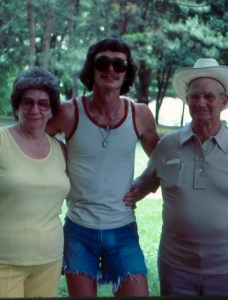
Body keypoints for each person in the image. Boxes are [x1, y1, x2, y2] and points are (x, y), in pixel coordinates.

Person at [124, 58, 228, 296]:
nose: (201, 102)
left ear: (223, 101)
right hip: (175, 269)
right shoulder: (168, 145)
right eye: (194, 96)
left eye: (209, 96)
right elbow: (143, 185)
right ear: (187, 101)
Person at [46, 38, 159, 297]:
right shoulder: (69, 112)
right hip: (78, 230)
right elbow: (36, 141)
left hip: (122, 229)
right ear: (91, 67)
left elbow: (163, 160)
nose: (111, 69)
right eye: (103, 62)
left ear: (127, 71)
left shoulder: (138, 114)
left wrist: (146, 184)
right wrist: (60, 163)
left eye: (119, 64)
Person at [0, 67, 70, 298]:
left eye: (43, 104)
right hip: (0, 263)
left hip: (49, 262)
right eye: (27, 102)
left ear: (51, 111)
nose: (35, 109)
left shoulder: (60, 150)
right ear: (16, 107)